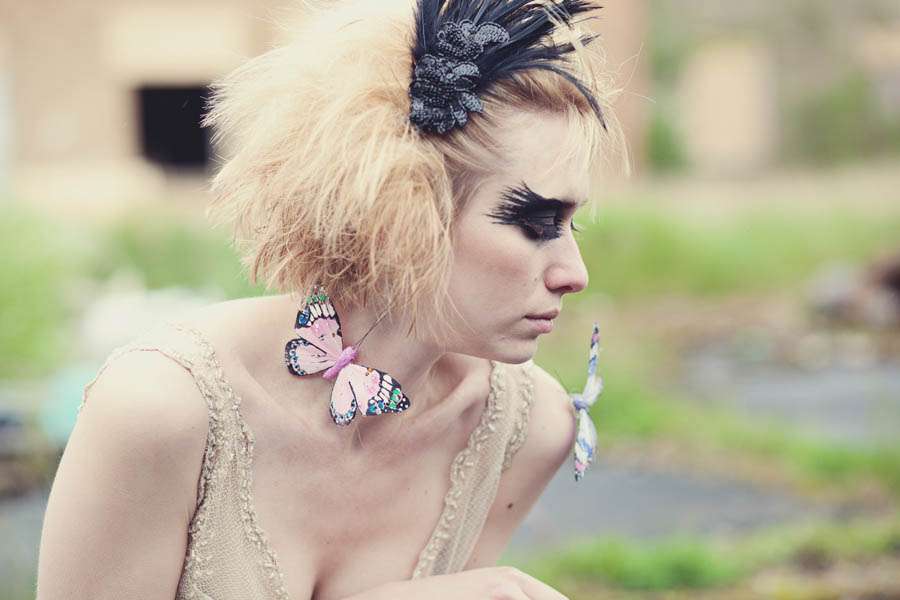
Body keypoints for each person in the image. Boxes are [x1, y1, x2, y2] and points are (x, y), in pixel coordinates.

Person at [36, 0, 625, 598]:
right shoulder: (161, 411)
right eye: (535, 223)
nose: (574, 274)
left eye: (571, 224)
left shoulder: (525, 425)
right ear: (401, 210)